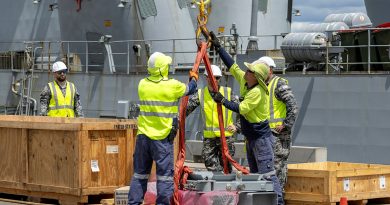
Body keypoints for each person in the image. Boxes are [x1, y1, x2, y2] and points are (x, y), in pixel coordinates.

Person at [208, 32, 284, 205]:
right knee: (256, 175)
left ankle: (278, 202)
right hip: (251, 138)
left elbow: (241, 109)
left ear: (255, 76)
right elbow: (233, 67)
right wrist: (219, 48)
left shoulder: (257, 92)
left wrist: (222, 99)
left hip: (261, 140)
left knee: (267, 174)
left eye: (249, 70)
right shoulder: (247, 82)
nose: (246, 72)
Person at [128, 52, 198, 205]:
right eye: (166, 65)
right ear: (161, 69)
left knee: (139, 175)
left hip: (143, 137)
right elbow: (191, 89)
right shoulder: (172, 86)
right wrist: (194, 77)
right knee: (164, 177)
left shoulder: (142, 84)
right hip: (162, 139)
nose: (168, 67)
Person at [186, 64, 239, 173]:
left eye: (217, 77)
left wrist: (237, 126)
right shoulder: (200, 94)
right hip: (210, 139)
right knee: (210, 164)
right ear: (206, 77)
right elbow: (185, 110)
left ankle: (227, 188)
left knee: (226, 167)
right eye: (210, 77)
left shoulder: (228, 92)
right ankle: (217, 186)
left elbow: (242, 110)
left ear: (220, 79)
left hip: (226, 137)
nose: (213, 80)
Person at [260, 56, 298, 192]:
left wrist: (286, 125)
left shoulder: (279, 84)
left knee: (277, 168)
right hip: (266, 135)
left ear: (269, 70)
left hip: (278, 135)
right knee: (269, 168)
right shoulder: (262, 85)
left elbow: (292, 105)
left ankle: (278, 197)